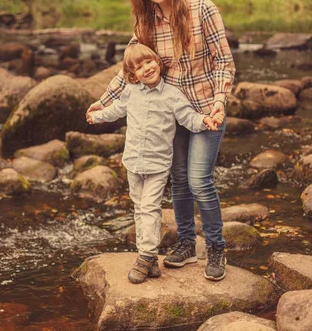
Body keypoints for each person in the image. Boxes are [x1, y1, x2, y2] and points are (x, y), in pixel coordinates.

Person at [87, 0, 235, 281]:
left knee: (199, 179)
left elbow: (224, 62)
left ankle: (215, 248)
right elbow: (130, 71)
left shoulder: (202, 9)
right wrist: (102, 102)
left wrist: (220, 101)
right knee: (179, 180)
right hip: (172, 111)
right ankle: (185, 244)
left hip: (206, 109)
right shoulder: (145, 22)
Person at [87, 43, 223, 284]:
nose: (146, 68)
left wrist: (205, 120)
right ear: (132, 75)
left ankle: (146, 256)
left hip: (157, 165)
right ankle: (148, 260)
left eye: (149, 61)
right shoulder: (130, 91)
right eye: (139, 67)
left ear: (158, 63)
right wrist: (97, 116)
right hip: (132, 162)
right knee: (140, 209)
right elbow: (117, 109)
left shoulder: (172, 94)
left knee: (150, 208)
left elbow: (188, 118)